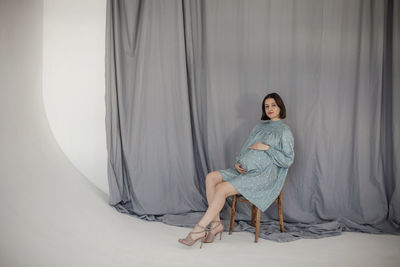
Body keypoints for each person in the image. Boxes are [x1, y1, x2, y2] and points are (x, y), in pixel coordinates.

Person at [178, 92, 295, 248]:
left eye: (273, 105)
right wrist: (239, 162)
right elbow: (247, 146)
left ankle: (198, 230)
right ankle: (215, 225)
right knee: (211, 177)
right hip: (245, 170)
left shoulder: (284, 131)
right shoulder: (259, 127)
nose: (270, 109)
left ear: (280, 106)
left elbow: (288, 160)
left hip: (263, 176)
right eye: (266, 106)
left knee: (220, 189)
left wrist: (267, 147)